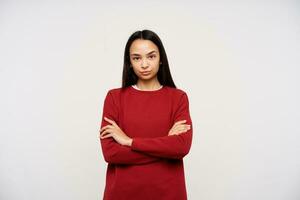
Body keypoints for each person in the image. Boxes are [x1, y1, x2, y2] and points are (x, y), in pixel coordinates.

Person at [98, 29, 193, 200]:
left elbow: (181, 147)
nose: (144, 64)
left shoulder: (178, 98)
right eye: (137, 58)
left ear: (161, 58)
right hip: (122, 193)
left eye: (151, 56)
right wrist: (164, 145)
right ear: (129, 62)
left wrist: (129, 142)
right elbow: (111, 153)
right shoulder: (114, 98)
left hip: (168, 193)